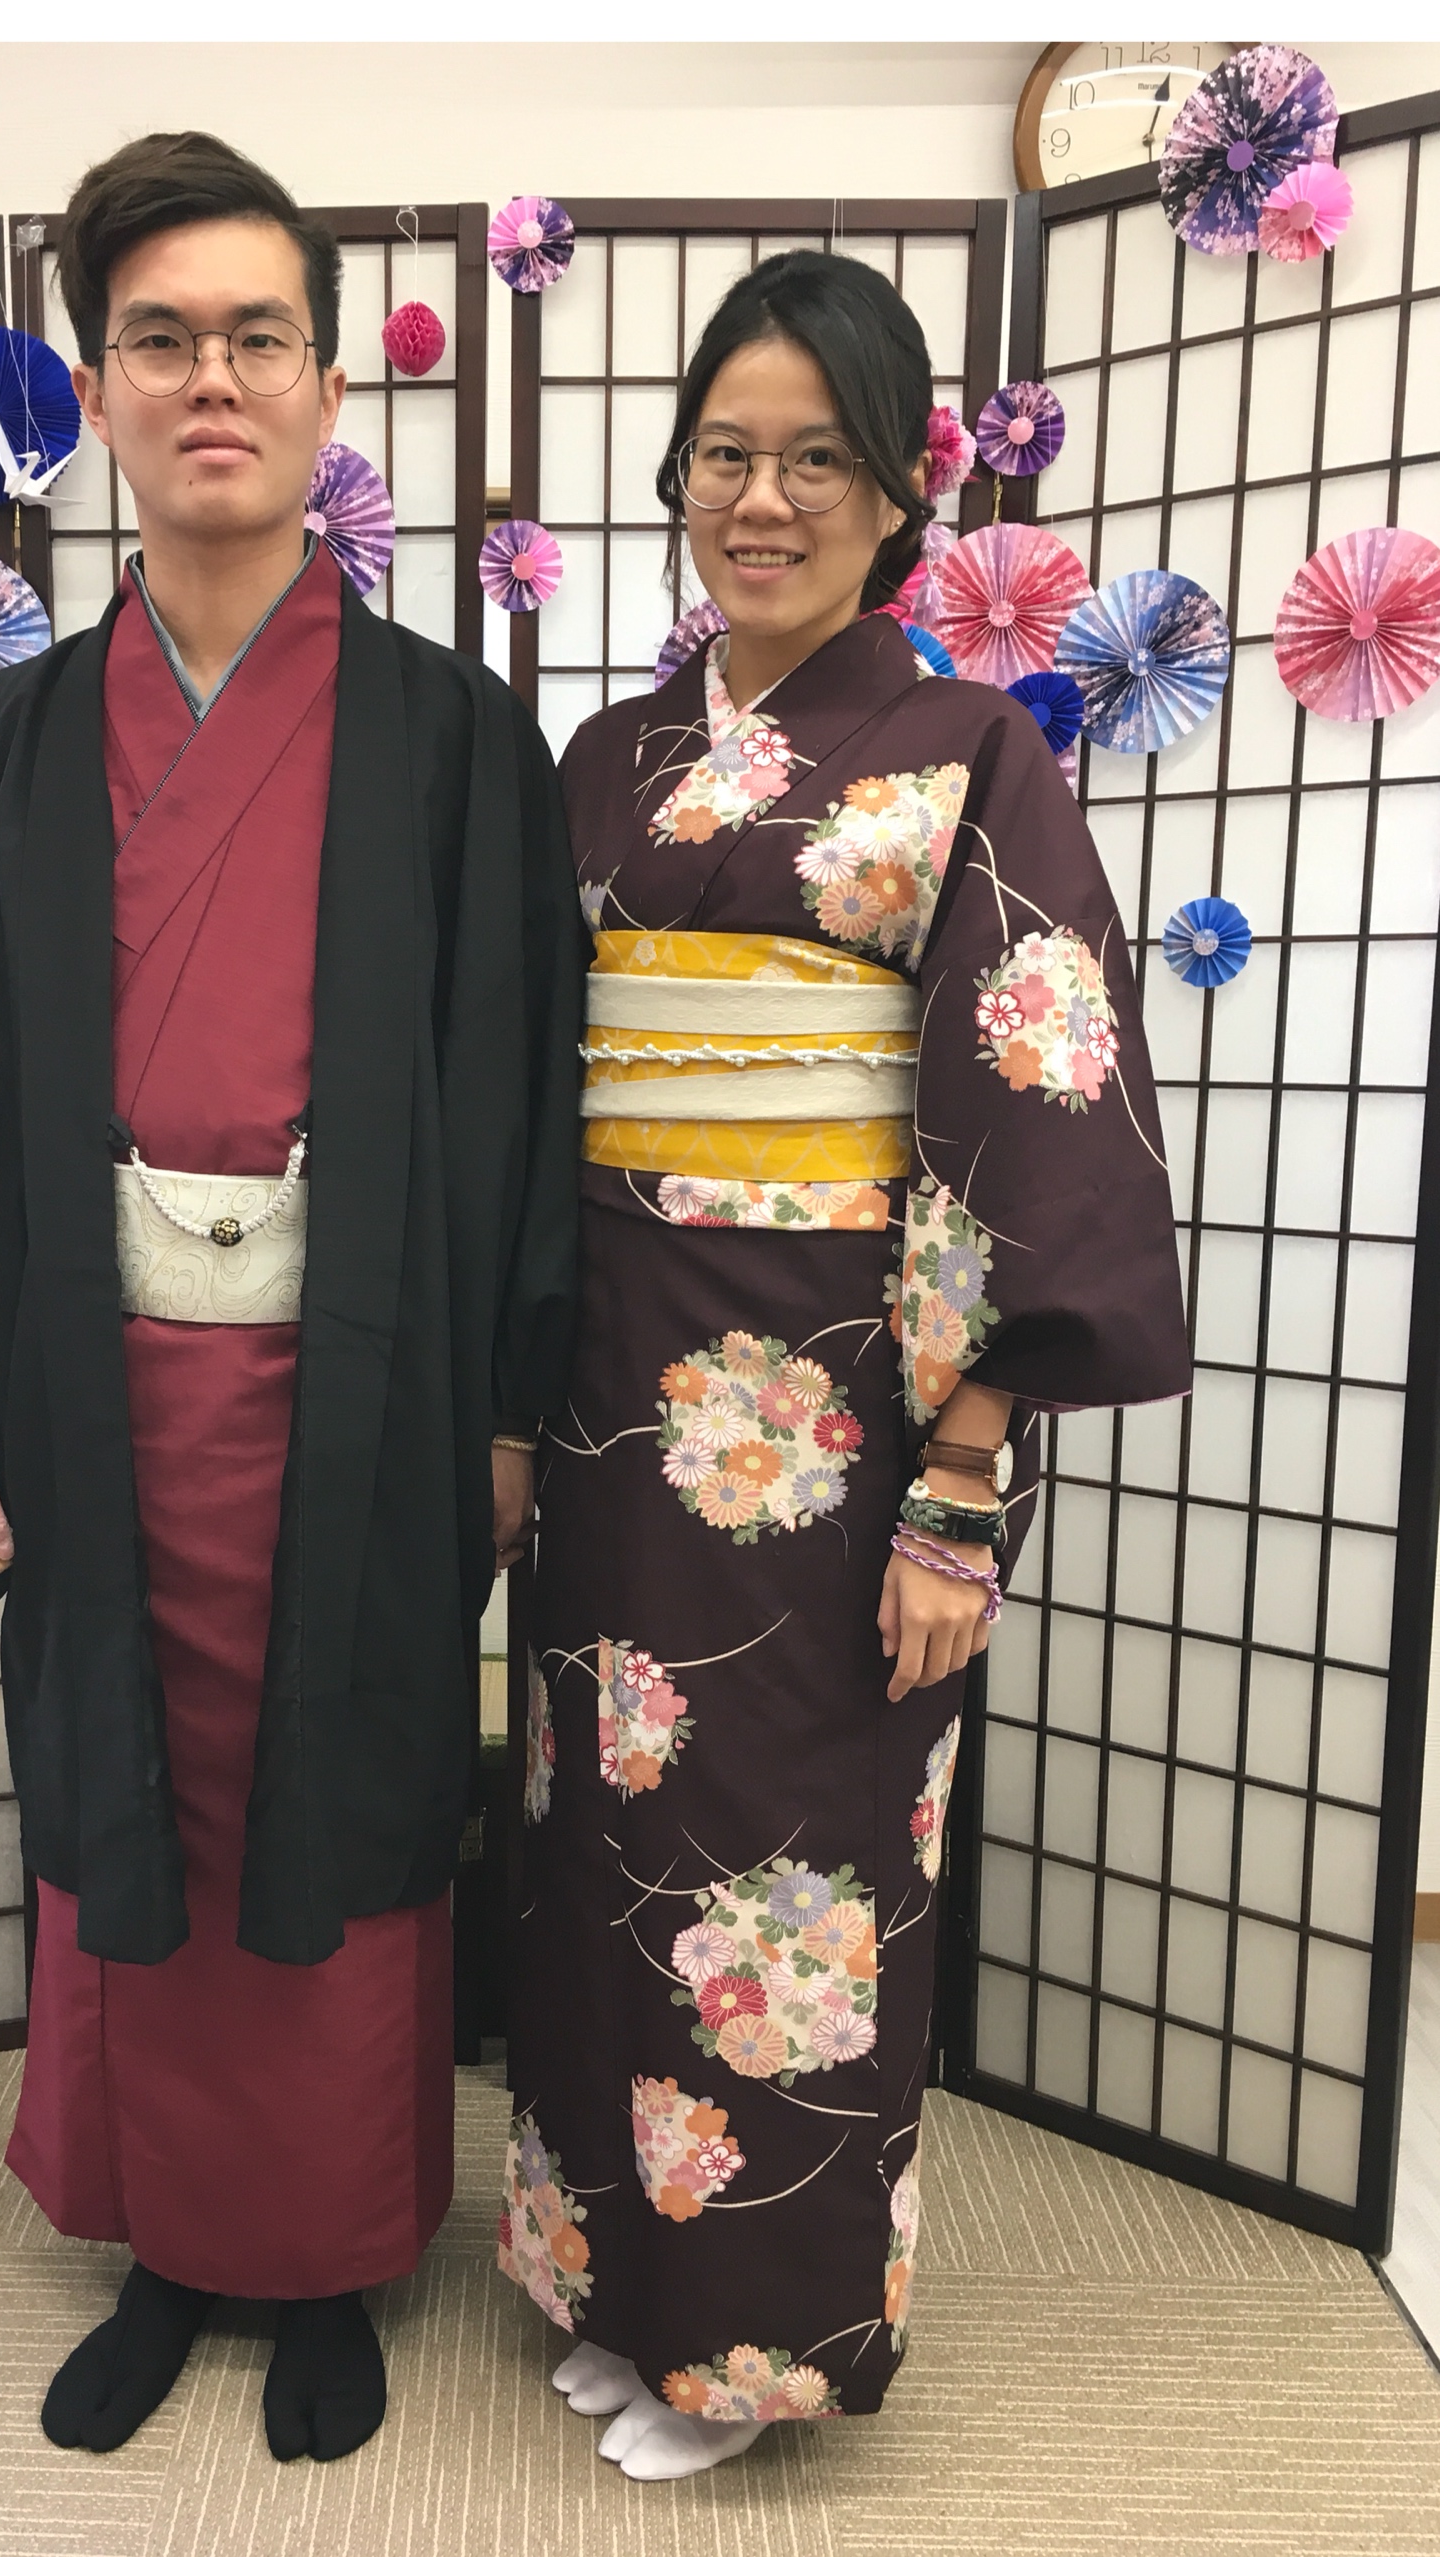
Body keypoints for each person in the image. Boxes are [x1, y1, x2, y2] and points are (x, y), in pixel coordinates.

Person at [0, 130, 581, 2468]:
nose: (210, 378)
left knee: (337, 1795)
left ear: (325, 385)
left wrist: (506, 1415)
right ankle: (165, 2239)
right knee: (136, 1801)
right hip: (80, 1383)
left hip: (368, 1391)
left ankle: (323, 2251)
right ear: (96, 392)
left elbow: (522, 1098)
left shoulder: (452, 739)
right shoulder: (7, 744)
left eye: (254, 336)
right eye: (158, 339)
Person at [499, 250, 1191, 2481]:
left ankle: (756, 2344)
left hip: (830, 1419)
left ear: (900, 494)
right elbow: (523, 1096)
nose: (762, 499)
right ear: (675, 475)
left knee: (788, 1874)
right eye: (725, 453)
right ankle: (618, 2283)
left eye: (817, 458)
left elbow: (1035, 1106)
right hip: (613, 1398)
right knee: (606, 1843)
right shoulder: (605, 762)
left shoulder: (971, 748)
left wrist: (963, 1476)